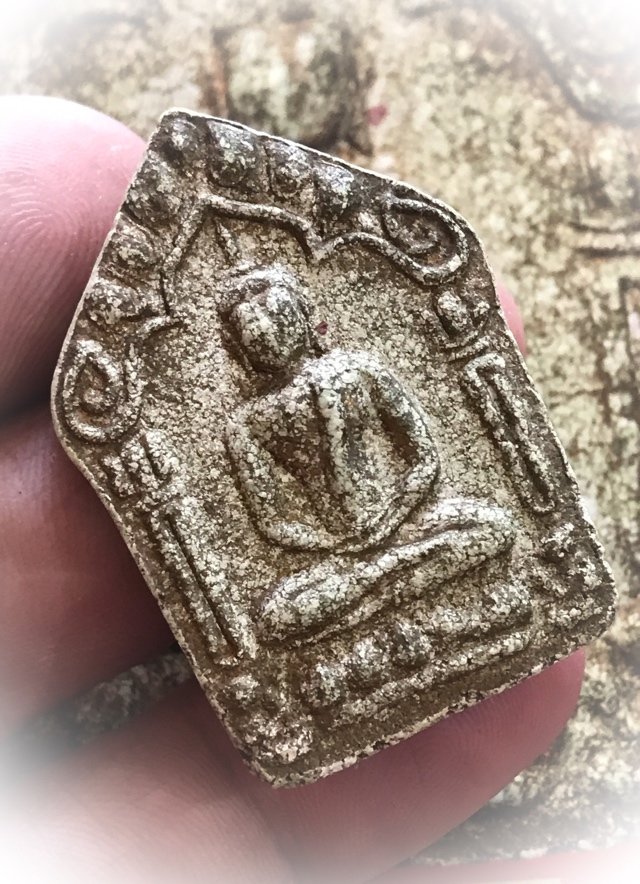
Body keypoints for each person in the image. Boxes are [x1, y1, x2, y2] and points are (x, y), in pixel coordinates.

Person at [0, 96, 586, 884]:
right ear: (238, 346)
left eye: (274, 313)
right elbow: (271, 519)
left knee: (485, 527)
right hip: (331, 569)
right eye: (246, 327)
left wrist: (393, 515)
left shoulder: (360, 373)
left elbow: (421, 458)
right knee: (284, 612)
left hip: (415, 531)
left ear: (306, 318)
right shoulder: (248, 425)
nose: (262, 330)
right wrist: (336, 542)